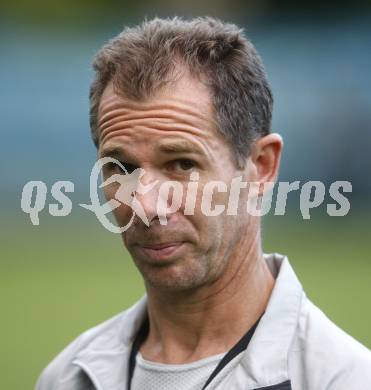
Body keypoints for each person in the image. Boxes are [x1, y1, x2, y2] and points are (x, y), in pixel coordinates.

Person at [36, 17, 371, 390]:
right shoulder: (68, 377)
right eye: (122, 168)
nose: (146, 204)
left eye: (182, 164)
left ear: (261, 166)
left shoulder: (343, 379)